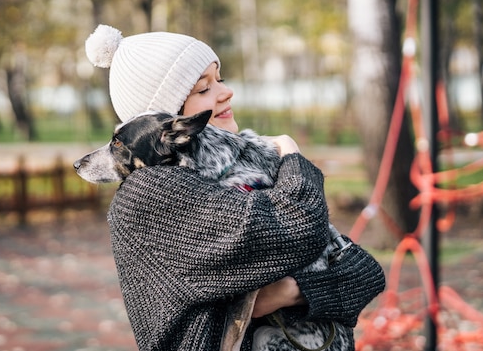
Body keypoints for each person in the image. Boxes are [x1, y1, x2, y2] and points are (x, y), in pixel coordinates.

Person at [84, 24, 385, 351]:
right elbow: (300, 227)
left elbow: (365, 275)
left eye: (220, 79)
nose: (226, 93)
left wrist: (291, 292)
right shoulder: (150, 193)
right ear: (166, 125)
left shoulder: (239, 165)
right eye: (203, 89)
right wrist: (291, 153)